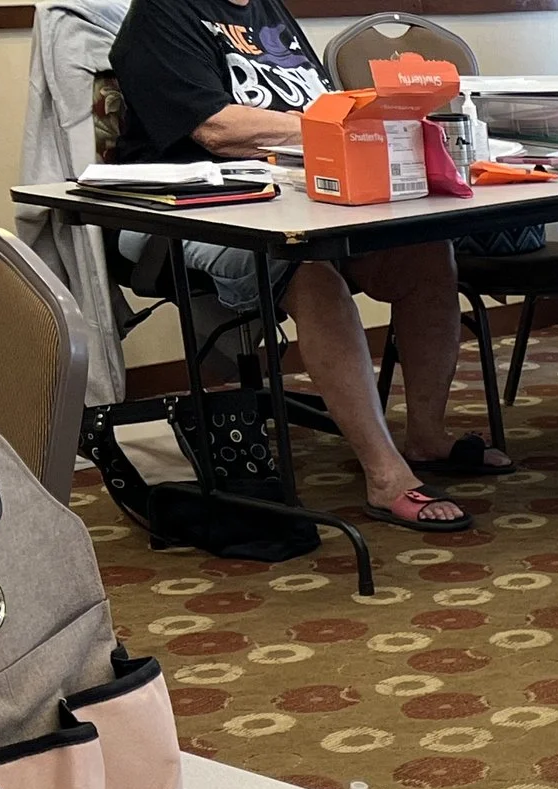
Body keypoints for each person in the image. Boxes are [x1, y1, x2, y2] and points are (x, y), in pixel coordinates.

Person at [108, 0, 512, 530]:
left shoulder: (265, 9)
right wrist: (332, 125)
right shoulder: (161, 15)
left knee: (427, 251)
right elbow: (215, 129)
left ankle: (427, 437)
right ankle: (385, 474)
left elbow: (319, 107)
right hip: (185, 208)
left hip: (291, 188)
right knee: (309, 270)